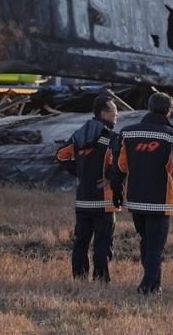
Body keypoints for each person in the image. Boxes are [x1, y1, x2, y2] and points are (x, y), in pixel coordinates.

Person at [110, 92, 173, 295]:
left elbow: (119, 167)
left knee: (146, 242)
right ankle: (146, 286)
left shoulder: (127, 133)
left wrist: (116, 191)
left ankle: (155, 286)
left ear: (149, 108)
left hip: (136, 199)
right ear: (169, 111)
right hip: (160, 201)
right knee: (156, 247)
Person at [55, 94, 120, 282]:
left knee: (81, 242)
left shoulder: (79, 135)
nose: (117, 115)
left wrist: (79, 172)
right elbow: (122, 163)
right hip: (103, 201)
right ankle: (101, 280)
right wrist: (109, 177)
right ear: (104, 113)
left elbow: (61, 155)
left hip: (83, 199)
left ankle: (79, 278)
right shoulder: (110, 137)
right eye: (114, 111)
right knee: (103, 241)